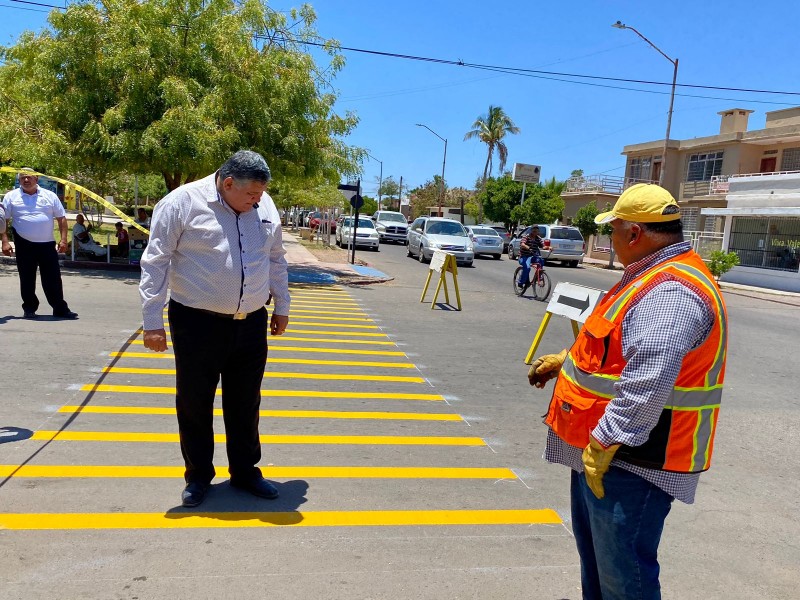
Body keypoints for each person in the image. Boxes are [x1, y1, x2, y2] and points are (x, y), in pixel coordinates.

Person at [528, 184, 728, 599]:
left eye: (614, 230)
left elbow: (647, 380)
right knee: (601, 573)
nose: (609, 239)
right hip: (608, 456)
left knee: (624, 582)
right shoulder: (647, 277)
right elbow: (620, 351)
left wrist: (603, 446)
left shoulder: (671, 290)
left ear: (635, 234)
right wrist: (566, 359)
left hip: (630, 461)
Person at [139, 150, 291, 508]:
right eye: (251, 195)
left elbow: (276, 258)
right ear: (226, 184)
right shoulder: (181, 203)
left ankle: (245, 471)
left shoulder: (265, 206)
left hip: (251, 321)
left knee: (245, 402)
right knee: (194, 402)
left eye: (260, 194)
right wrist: (151, 322)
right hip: (196, 321)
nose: (257, 201)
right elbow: (156, 261)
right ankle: (198, 476)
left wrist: (282, 305)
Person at [1, 168, 78, 320]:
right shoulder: (11, 196)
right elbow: (3, 221)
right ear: (19, 180)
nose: (26, 180)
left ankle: (60, 309)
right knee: (27, 278)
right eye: (22, 178)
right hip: (23, 244)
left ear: (36, 178)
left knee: (53, 278)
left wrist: (63, 240)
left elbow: (61, 218)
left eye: (29, 177)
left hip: (47, 244)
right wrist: (5, 241)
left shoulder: (49, 195)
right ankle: (29, 308)